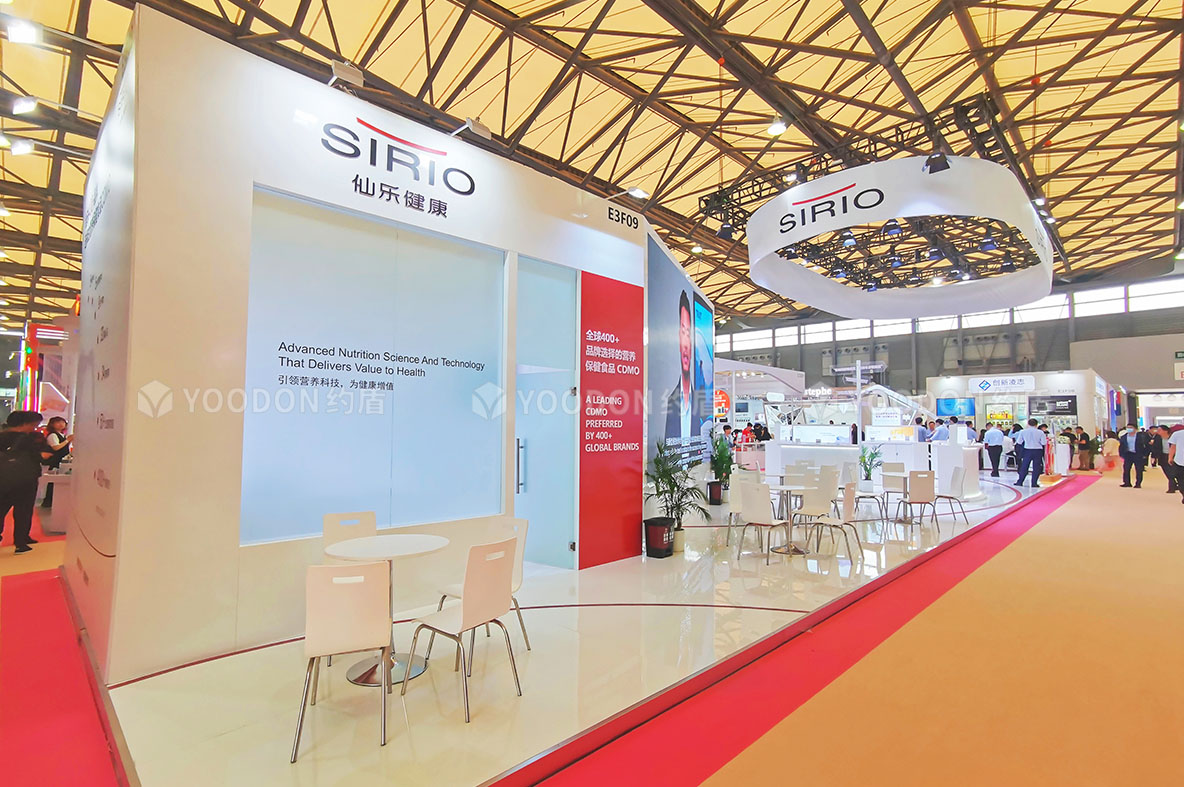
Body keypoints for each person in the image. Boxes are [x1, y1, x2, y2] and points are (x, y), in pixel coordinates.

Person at [0, 410, 52, 554]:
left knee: (1, 508)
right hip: (25, 479)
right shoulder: (30, 439)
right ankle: (21, 542)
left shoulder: (1, 436)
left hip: (3, 479)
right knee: (23, 510)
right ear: (25, 424)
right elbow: (40, 456)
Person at [664, 292, 694, 443]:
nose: (686, 344)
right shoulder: (671, 401)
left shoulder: (700, 403)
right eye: (683, 333)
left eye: (688, 334)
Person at [41, 416, 73, 508]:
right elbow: (56, 447)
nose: (61, 424)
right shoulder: (53, 435)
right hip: (55, 461)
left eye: (63, 422)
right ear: (52, 424)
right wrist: (67, 440)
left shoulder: (62, 435)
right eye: (58, 422)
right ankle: (48, 501)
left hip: (61, 461)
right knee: (53, 482)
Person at [1014, 418, 1047, 488]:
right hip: (1038, 450)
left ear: (1028, 424)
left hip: (1027, 450)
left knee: (1024, 466)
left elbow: (1019, 442)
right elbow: (1043, 443)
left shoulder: (1023, 432)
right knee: (1036, 467)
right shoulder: (1040, 432)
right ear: (1036, 424)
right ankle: (1034, 483)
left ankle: (1020, 481)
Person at [1117, 422, 1150, 488]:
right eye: (1128, 428)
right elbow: (1121, 446)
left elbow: (1147, 446)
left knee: (1138, 469)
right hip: (1128, 454)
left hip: (1138, 454)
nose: (1129, 429)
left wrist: (1145, 454)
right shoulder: (1124, 437)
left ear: (1135, 429)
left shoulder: (1141, 437)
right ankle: (1127, 482)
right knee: (1126, 469)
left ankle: (1138, 483)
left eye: (1131, 428)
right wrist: (1121, 454)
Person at [1168, 426, 1184, 505]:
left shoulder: (1177, 434)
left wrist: (1170, 458)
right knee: (1180, 480)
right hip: (1179, 461)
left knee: (1181, 480)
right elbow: (1173, 447)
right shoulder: (1177, 434)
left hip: (1179, 461)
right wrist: (1170, 457)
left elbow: (1172, 447)